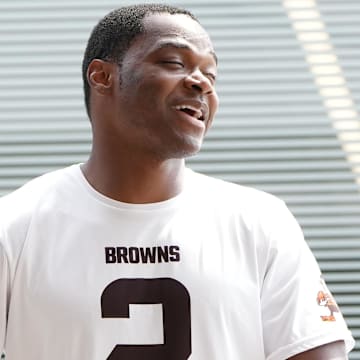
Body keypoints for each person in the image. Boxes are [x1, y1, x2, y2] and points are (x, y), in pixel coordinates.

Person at [0, 3, 355, 359]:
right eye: (174, 63)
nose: (201, 82)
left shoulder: (261, 223)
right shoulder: (15, 225)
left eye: (211, 75)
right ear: (102, 76)